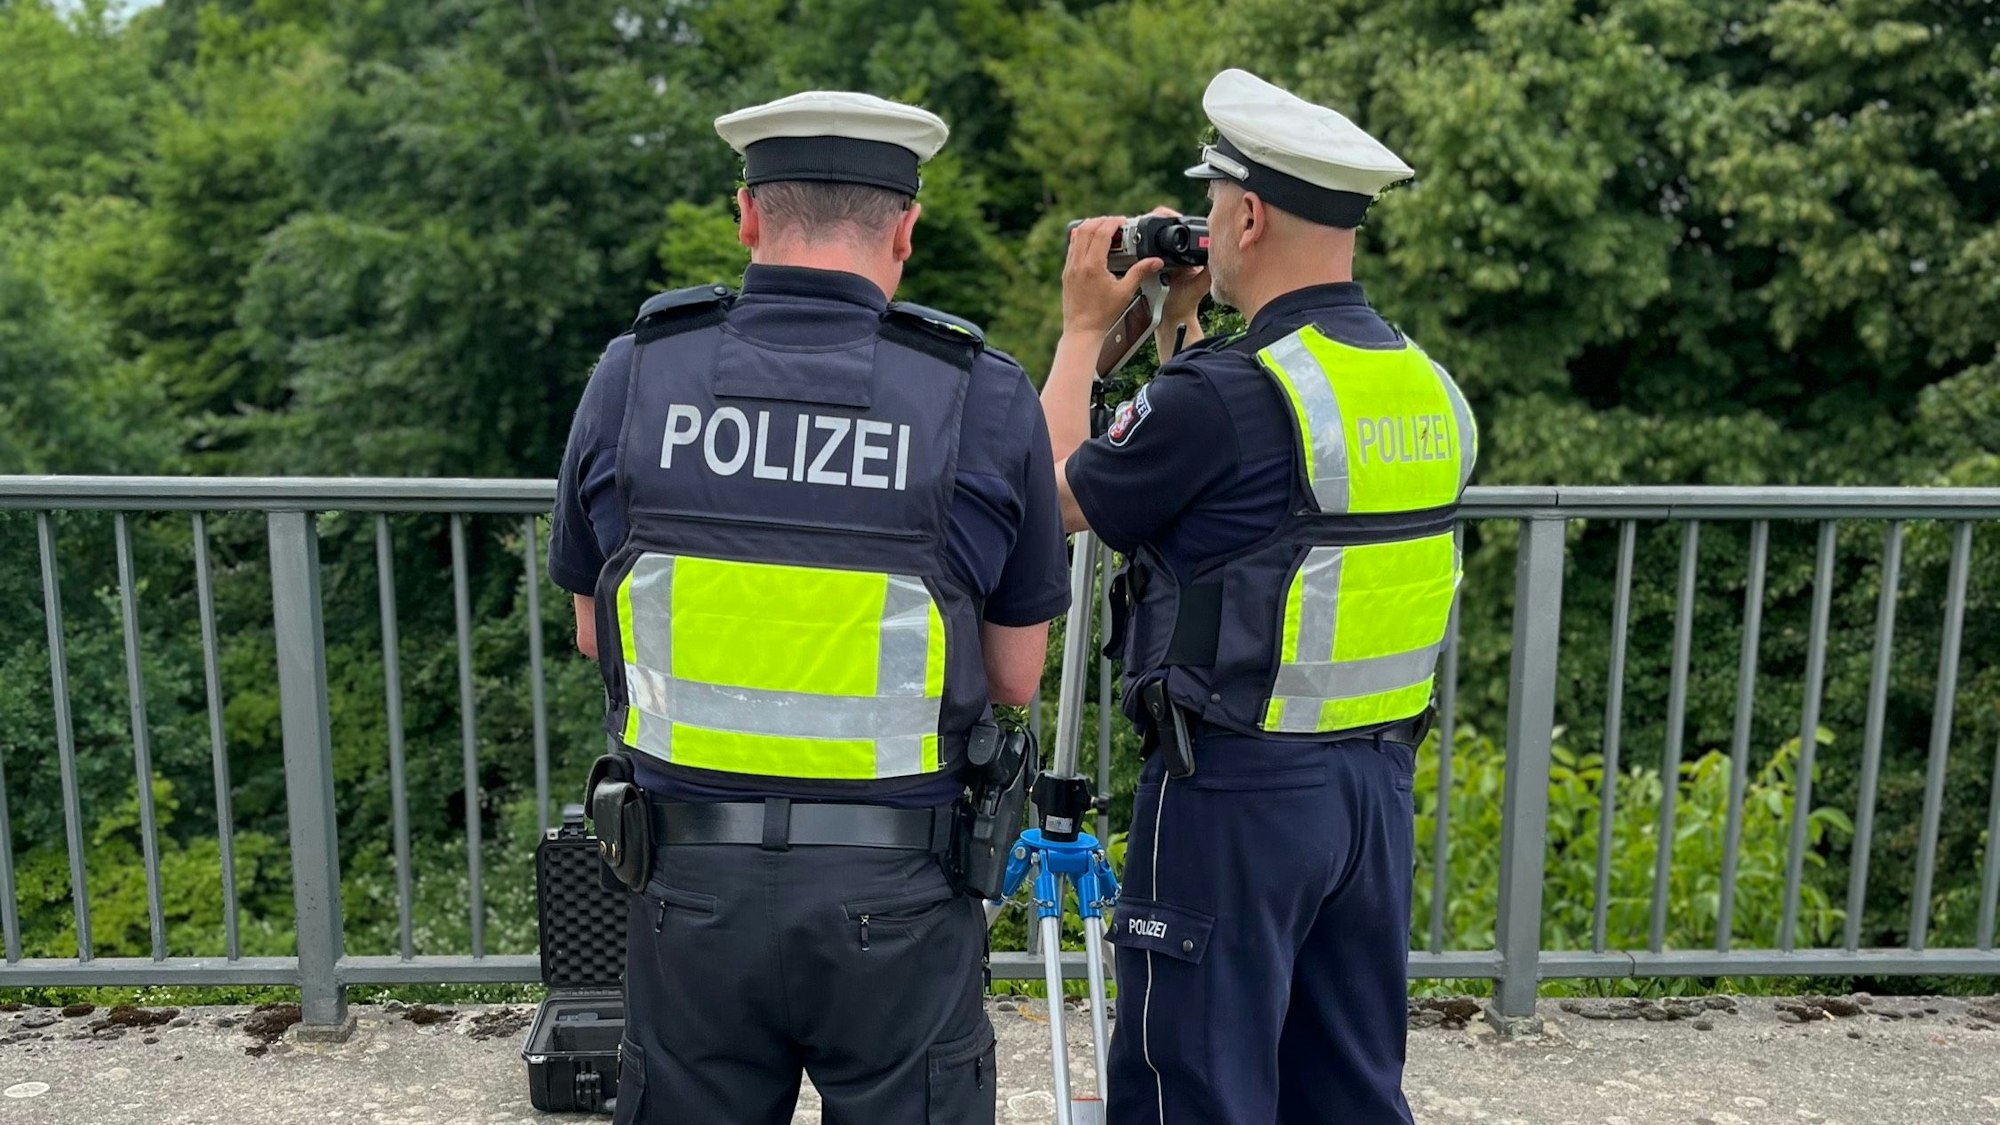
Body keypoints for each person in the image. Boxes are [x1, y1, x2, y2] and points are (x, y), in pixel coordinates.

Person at [546, 88, 1070, 1125]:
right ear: (905, 229)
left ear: (746, 214)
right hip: (897, 898)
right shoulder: (981, 394)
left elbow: (592, 631)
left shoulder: (636, 373)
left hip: (686, 884)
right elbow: (1014, 677)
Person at [1042, 69, 1478, 1124]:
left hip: (1231, 792)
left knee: (1189, 1088)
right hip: (1367, 794)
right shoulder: (1423, 384)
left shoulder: (1227, 395)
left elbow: (1048, 498)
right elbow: (1248, 509)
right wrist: (1183, 331)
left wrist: (1077, 331)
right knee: (1343, 1089)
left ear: (1244, 214)